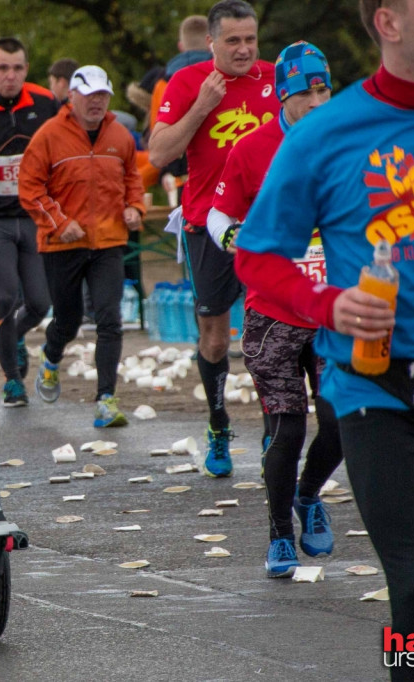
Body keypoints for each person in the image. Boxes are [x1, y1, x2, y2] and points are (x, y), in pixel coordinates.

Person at [235, 1, 414, 676]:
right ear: (388, 22)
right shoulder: (325, 134)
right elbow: (258, 255)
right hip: (381, 398)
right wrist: (328, 304)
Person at [207, 41, 340, 578]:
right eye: (306, 92)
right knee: (287, 429)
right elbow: (218, 214)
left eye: (323, 89)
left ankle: (308, 497)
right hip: (273, 313)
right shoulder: (252, 149)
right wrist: (238, 236)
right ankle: (280, 533)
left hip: (333, 312)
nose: (316, 101)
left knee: (341, 422)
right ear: (284, 95)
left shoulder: (345, 145)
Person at [148, 0, 278, 477]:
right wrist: (203, 104)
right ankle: (219, 423)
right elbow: (159, 152)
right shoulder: (188, 83)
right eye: (233, 41)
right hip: (209, 223)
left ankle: (274, 433)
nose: (244, 49)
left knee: (273, 335)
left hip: (270, 225)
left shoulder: (277, 77)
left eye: (250, 39)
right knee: (217, 339)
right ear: (211, 42)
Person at [19, 65, 145, 427]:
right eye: (90, 96)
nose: (97, 103)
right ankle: (51, 357)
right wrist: (60, 223)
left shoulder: (120, 135)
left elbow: (132, 178)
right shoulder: (48, 136)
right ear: (71, 96)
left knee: (110, 319)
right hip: (62, 244)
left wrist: (135, 208)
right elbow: (30, 188)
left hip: (108, 241)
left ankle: (106, 399)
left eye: (103, 96)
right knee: (69, 320)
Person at [0, 37, 56, 406]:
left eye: (18, 68)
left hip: (34, 218)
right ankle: (12, 380)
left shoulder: (44, 104)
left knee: (40, 303)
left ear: (26, 69)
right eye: (3, 68)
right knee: (5, 296)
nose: (11, 75)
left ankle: (14, 336)